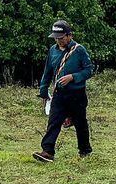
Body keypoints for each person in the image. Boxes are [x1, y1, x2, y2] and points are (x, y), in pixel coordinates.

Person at [32, 18, 94, 162]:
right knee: (53, 122)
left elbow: (89, 70)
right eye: (56, 38)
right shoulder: (52, 51)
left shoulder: (79, 50)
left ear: (69, 35)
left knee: (80, 123)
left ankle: (85, 151)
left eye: (61, 37)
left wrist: (73, 77)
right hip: (59, 94)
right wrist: (43, 90)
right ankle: (47, 151)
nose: (58, 41)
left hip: (77, 94)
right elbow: (47, 71)